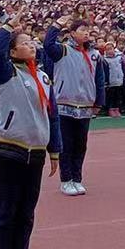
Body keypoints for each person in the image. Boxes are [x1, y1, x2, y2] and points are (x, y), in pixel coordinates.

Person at [0, 23, 61, 249]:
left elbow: (51, 116)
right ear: (13, 51)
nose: (32, 45)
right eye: (25, 42)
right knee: (6, 212)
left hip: (37, 154)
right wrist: (8, 26)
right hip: (11, 150)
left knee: (26, 213)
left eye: (33, 42)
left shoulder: (42, 77)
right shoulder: (6, 74)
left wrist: (55, 150)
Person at [43, 18, 105, 196]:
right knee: (66, 144)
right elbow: (48, 44)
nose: (86, 33)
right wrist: (56, 25)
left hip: (85, 106)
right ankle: (66, 180)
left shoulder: (95, 54)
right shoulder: (62, 50)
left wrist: (98, 102)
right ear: (72, 33)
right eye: (82, 30)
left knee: (81, 145)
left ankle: (77, 179)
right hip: (65, 104)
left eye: (88, 30)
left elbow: (99, 80)